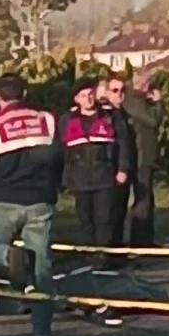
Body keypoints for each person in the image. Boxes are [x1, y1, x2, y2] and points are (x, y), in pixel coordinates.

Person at [0, 73, 62, 336]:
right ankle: (42, 332)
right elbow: (58, 159)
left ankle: (11, 257)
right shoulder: (47, 120)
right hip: (40, 200)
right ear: (25, 93)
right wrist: (53, 188)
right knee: (42, 269)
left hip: (5, 198)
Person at [58, 77, 131, 264]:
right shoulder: (67, 120)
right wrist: (62, 177)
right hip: (79, 177)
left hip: (104, 175)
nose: (88, 99)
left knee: (104, 218)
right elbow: (61, 150)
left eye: (90, 94)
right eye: (83, 96)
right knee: (85, 219)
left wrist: (123, 169)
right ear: (76, 99)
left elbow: (123, 144)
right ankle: (89, 255)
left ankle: (103, 256)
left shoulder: (110, 117)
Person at [122, 71, 164, 247]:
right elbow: (152, 120)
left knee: (147, 198)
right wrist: (158, 103)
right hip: (139, 155)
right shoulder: (132, 100)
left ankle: (146, 238)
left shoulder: (139, 100)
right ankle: (139, 240)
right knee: (142, 197)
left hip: (144, 154)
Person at [100, 74, 137, 254]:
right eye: (115, 90)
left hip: (122, 169)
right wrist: (119, 168)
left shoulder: (122, 114)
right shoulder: (105, 115)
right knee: (110, 213)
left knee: (120, 212)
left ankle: (118, 250)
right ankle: (109, 251)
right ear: (106, 92)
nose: (119, 94)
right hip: (109, 170)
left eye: (123, 90)